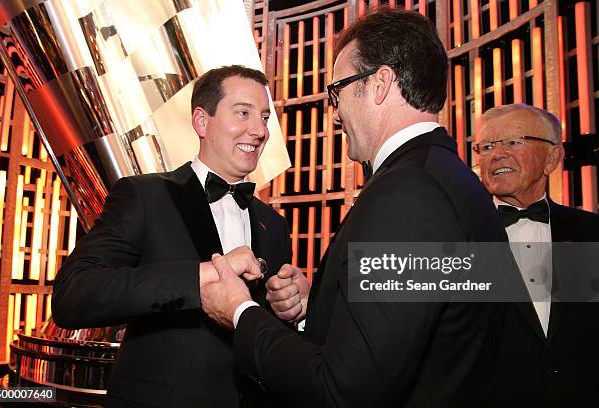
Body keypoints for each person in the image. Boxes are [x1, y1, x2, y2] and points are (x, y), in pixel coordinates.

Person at [199, 8, 515, 407]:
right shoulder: (450, 180)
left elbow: (342, 392)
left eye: (338, 91)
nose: (334, 114)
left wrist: (240, 311)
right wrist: (321, 310)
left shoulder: (408, 196)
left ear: (380, 83)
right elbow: (410, 337)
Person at [52, 65, 291, 407]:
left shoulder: (274, 223)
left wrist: (291, 308)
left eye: (265, 117)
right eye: (243, 113)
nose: (259, 130)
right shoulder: (144, 196)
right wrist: (203, 274)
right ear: (201, 122)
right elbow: (72, 296)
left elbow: (263, 327)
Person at [476, 103, 599, 407]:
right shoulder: (461, 238)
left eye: (513, 141)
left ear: (552, 158)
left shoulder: (591, 233)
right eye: (487, 146)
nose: (497, 153)